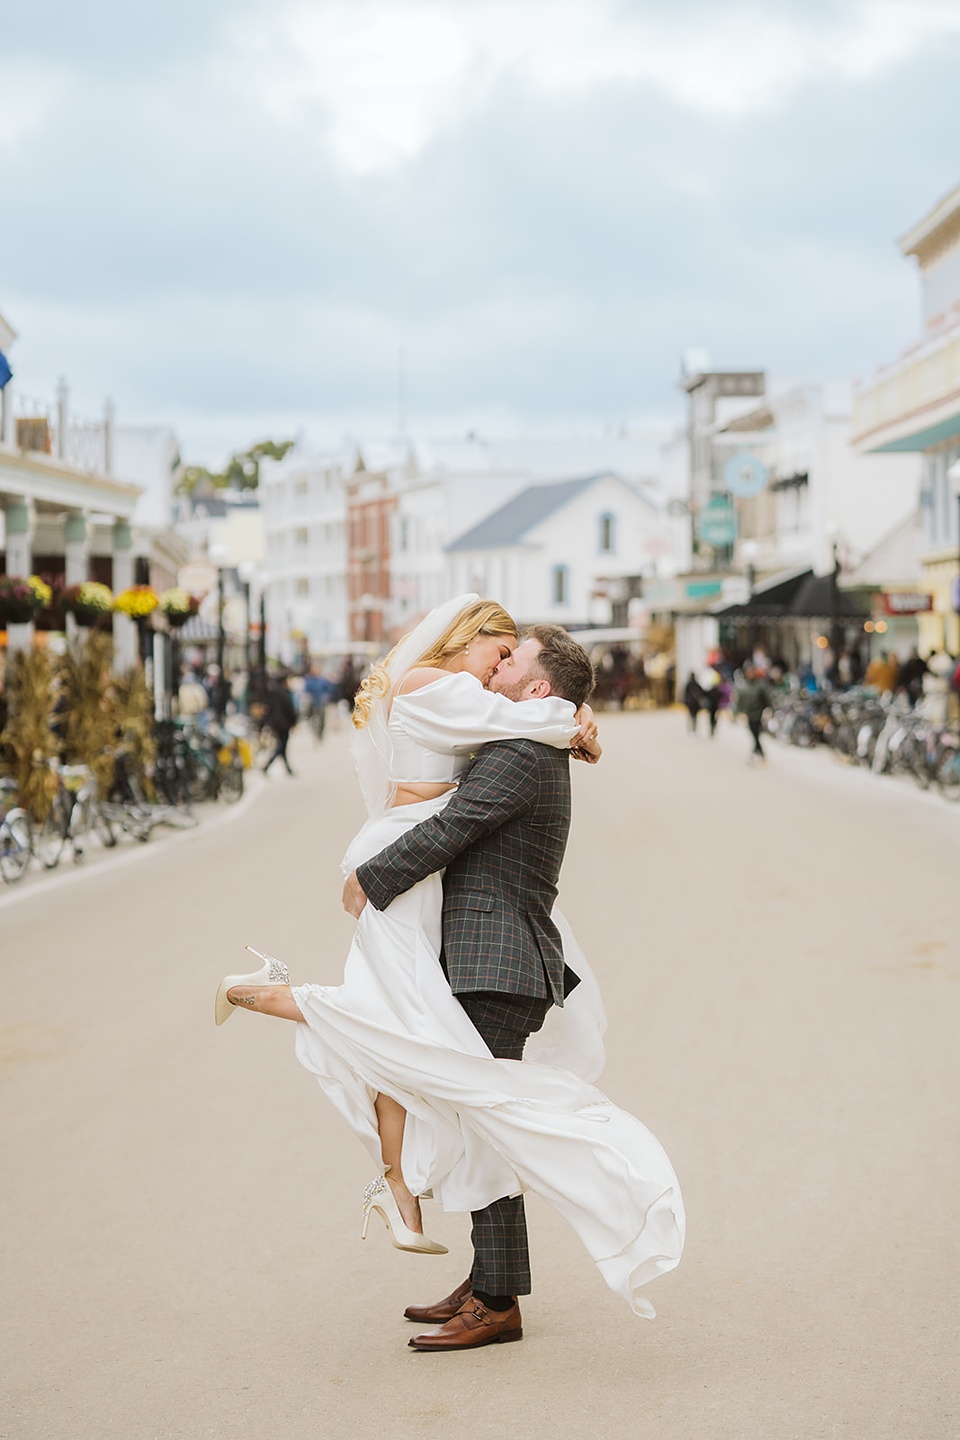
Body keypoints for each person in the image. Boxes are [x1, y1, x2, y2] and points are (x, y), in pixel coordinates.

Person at [214, 597, 683, 1342]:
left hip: (495, 961)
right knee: (474, 1117)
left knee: (482, 1118)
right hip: (486, 957)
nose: (498, 671)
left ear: (536, 689)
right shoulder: (518, 735)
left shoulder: (522, 751)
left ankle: (496, 1303)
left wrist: (374, 876)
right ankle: (487, 1281)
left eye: (511, 663)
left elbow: (455, 824)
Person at [261, 674, 297, 775]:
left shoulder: (272, 693)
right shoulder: (285, 693)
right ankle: (267, 765)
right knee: (281, 747)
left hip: (275, 724)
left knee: (282, 746)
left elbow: (267, 709)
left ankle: (288, 769)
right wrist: (294, 721)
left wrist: (267, 722)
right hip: (284, 724)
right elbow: (289, 708)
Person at [737, 666, 772, 763]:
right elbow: (741, 701)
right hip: (749, 714)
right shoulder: (744, 686)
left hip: (758, 713)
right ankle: (757, 752)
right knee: (753, 733)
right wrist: (739, 712)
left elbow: (766, 699)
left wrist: (768, 709)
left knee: (756, 733)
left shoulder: (759, 686)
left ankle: (756, 752)